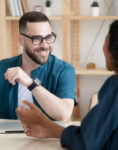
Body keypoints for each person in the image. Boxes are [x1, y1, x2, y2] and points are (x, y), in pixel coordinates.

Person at [16, 20, 118, 150]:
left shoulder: (114, 85)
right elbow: (97, 136)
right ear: (21, 40)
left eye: (106, 40)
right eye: (36, 38)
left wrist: (43, 122)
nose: (103, 47)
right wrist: (52, 130)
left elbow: (86, 141)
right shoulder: (1, 68)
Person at [0, 11, 77, 121]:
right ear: (21, 40)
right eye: (37, 39)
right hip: (5, 138)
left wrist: (31, 83)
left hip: (47, 138)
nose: (45, 45)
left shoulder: (64, 70)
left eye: (48, 37)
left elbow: (64, 114)